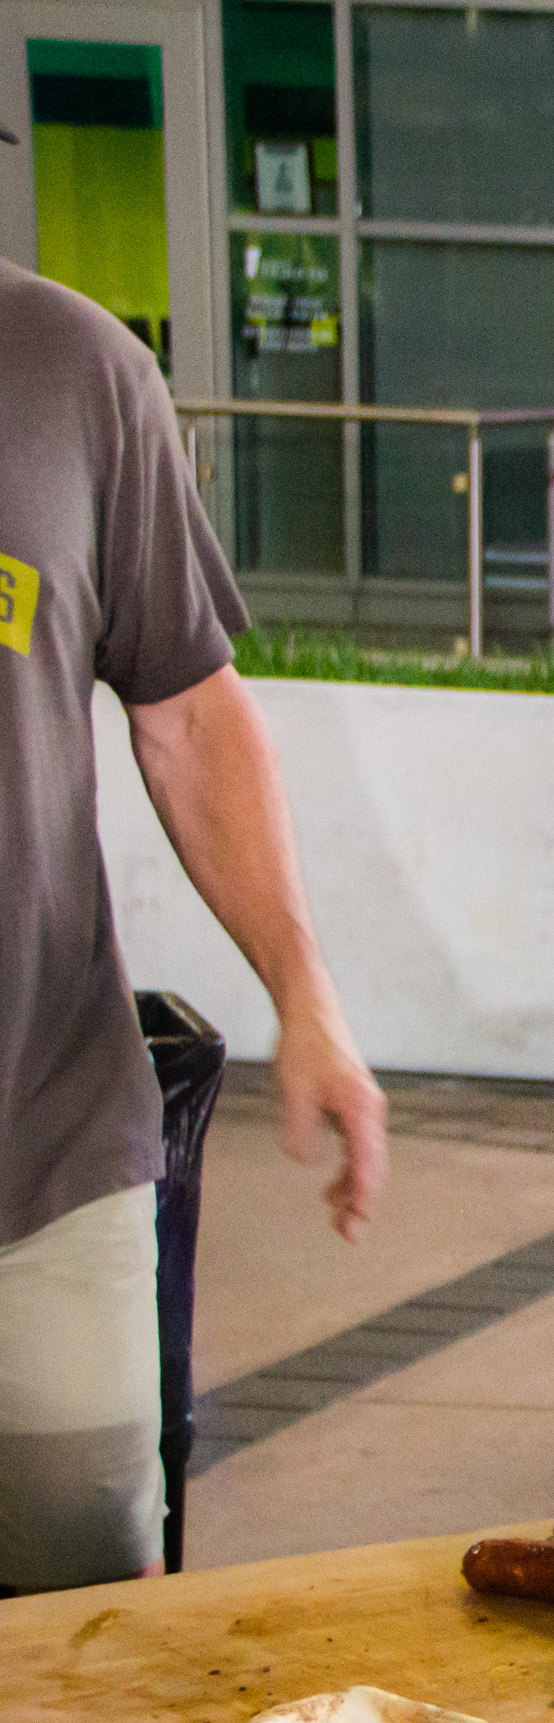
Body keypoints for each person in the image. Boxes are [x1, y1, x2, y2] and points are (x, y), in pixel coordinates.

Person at [0, 265, 387, 1592]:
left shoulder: (75, 371)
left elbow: (189, 713)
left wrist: (305, 992)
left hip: (42, 1150)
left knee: (94, 1605)